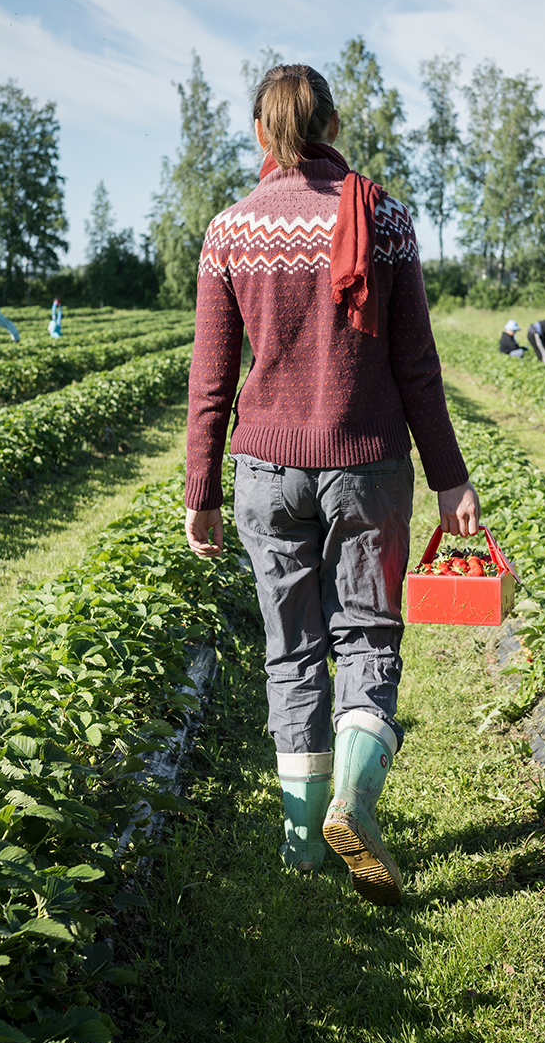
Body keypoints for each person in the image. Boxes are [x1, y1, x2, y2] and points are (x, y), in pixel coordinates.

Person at [185, 62, 481, 907]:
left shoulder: (229, 230)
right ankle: (354, 799)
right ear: (331, 122)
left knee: (292, 645)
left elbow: (212, 377)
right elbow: (415, 364)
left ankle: (300, 838)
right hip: (367, 465)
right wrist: (451, 477)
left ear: (260, 133)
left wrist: (199, 487)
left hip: (265, 471)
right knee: (367, 633)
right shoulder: (382, 217)